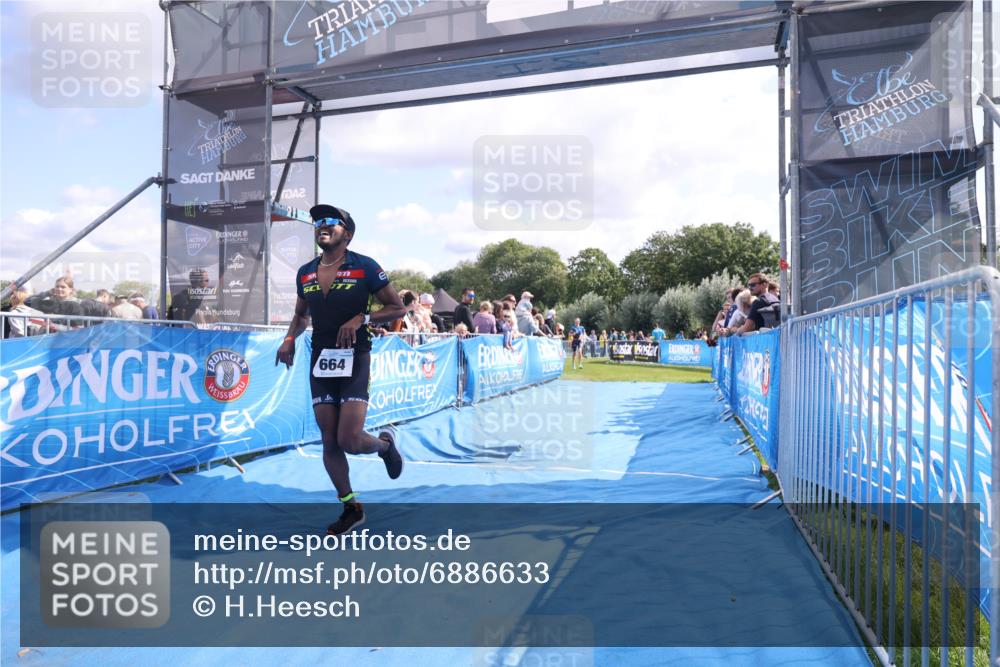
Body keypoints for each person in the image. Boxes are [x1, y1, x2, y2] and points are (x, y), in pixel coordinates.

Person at [275, 204, 407, 536]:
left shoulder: (365, 266)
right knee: (329, 440)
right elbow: (300, 315)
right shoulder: (305, 272)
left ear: (346, 233)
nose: (322, 224)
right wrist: (289, 339)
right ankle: (351, 507)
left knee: (348, 438)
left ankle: (385, 446)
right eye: (318, 221)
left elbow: (397, 307)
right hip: (321, 358)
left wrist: (362, 317)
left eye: (331, 221)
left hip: (355, 356)